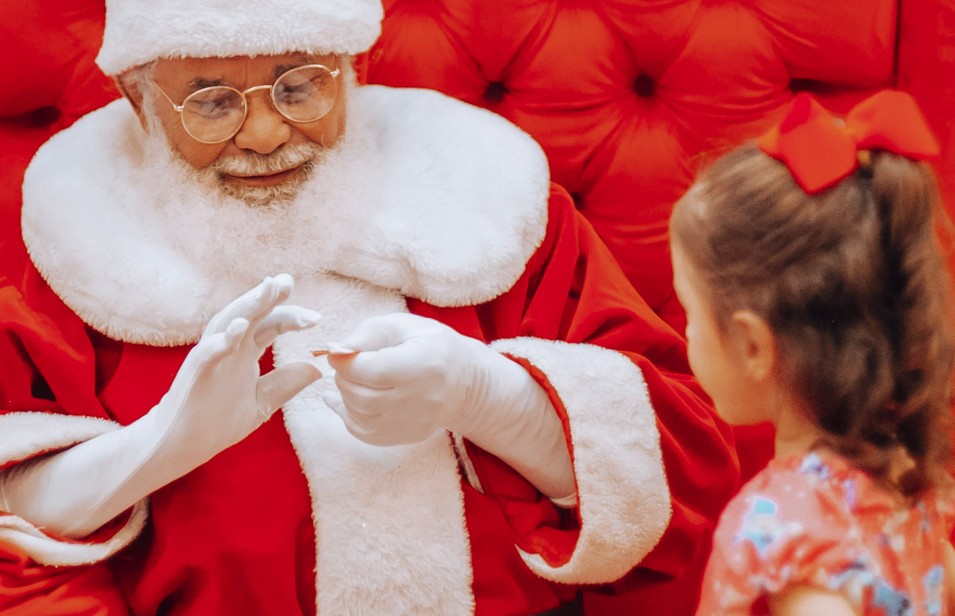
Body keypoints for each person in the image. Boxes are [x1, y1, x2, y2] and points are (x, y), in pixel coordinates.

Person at [0, 0, 739, 614]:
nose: (263, 134)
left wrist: (493, 397)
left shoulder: (487, 198)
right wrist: (163, 443)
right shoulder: (82, 241)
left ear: (353, 72)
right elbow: (14, 525)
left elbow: (685, 474)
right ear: (140, 101)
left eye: (299, 86)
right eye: (212, 102)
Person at [669, 90, 955, 615]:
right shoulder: (897, 463)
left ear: (752, 345)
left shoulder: (786, 532)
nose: (685, 333)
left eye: (690, 312)